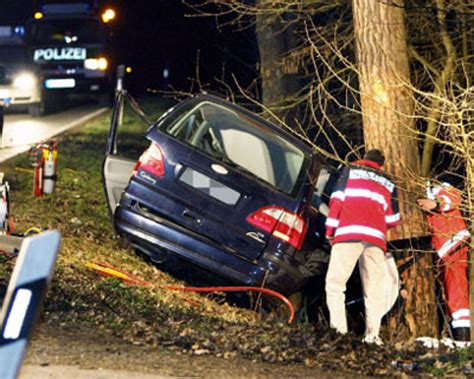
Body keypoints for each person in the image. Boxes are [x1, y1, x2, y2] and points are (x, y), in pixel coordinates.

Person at [324, 149, 400, 345]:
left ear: (365, 159)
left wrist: (330, 230)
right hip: (376, 240)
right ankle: (372, 335)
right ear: (380, 165)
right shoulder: (389, 182)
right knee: (373, 290)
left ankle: (339, 333)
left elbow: (337, 200)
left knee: (335, 285)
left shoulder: (351, 170)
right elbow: (393, 219)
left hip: (348, 234)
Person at [417, 181, 471, 342]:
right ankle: (455, 335)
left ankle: (463, 339)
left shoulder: (442, 187)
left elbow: (454, 198)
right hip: (442, 250)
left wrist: (435, 204)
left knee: (456, 291)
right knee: (449, 292)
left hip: (453, 243)